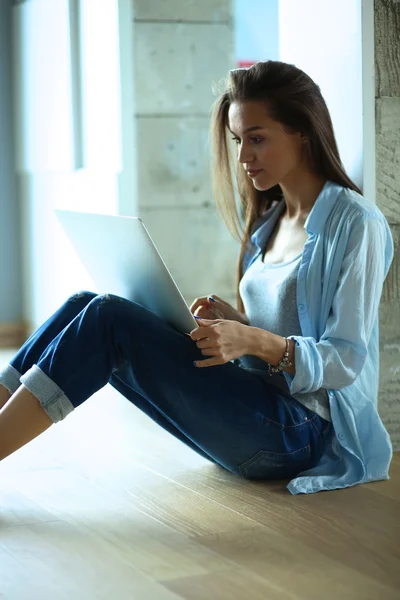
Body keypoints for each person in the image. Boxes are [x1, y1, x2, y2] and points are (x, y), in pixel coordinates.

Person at [0, 61, 394, 495]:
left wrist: (251, 341)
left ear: (302, 130)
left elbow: (346, 360)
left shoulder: (356, 224)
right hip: (256, 403)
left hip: (300, 433)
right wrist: (238, 325)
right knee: (84, 304)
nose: (243, 157)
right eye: (238, 140)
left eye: (257, 139)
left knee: (107, 319)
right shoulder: (272, 218)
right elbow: (287, 332)